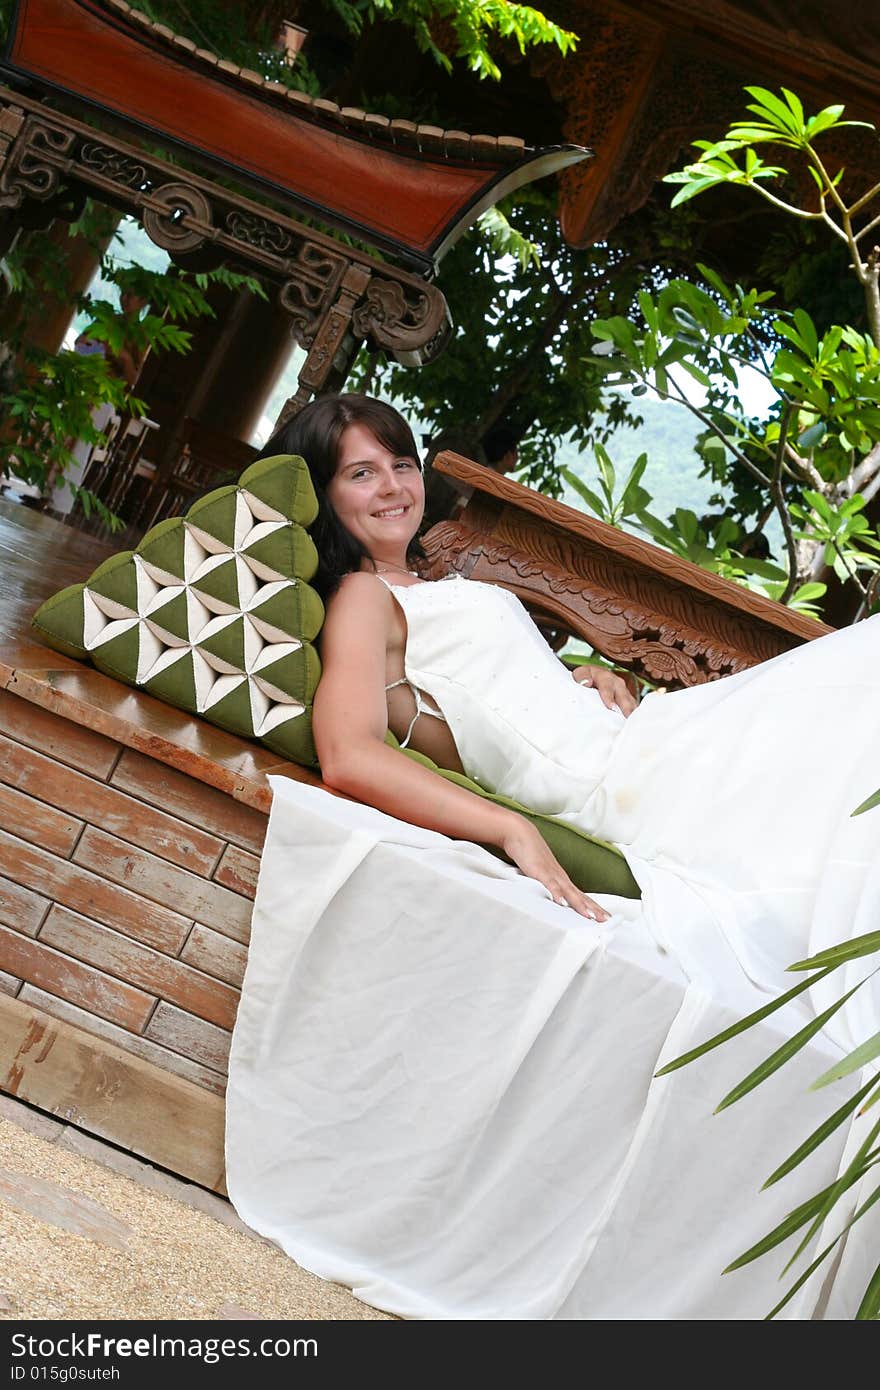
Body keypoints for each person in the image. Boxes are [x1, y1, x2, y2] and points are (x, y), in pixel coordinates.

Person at [225, 392, 880, 1320]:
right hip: (628, 783)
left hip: (643, 743)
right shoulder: (364, 597)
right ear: (324, 495)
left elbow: (497, 701)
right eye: (360, 472)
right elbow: (350, 752)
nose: (393, 486)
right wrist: (509, 827)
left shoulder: (426, 588)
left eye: (401, 462)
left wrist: (587, 679)